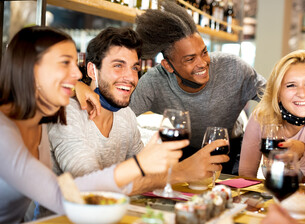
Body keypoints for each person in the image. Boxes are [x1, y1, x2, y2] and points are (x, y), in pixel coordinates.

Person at [0, 26, 188, 223]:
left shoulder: (39, 123)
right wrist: (140, 165)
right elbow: (60, 196)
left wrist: (76, 88)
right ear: (31, 69)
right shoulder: (4, 133)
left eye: (75, 64)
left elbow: (66, 191)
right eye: (65, 63)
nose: (77, 74)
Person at [75, 0, 267, 175]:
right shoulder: (153, 82)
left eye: (204, 52)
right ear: (168, 66)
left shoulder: (233, 67)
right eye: (190, 59)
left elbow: (276, 97)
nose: (202, 63)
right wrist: (79, 86)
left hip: (230, 150)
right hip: (185, 156)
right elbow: (116, 111)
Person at [47, 26, 201, 195]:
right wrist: (180, 173)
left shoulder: (125, 115)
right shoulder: (67, 113)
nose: (130, 77)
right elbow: (89, 186)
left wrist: (189, 166)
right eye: (118, 65)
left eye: (135, 68)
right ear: (92, 70)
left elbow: (146, 175)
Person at [239, 50, 305, 195]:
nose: (302, 93)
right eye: (291, 85)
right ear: (277, 93)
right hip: (281, 203)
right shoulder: (262, 117)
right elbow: (246, 175)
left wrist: (303, 152)